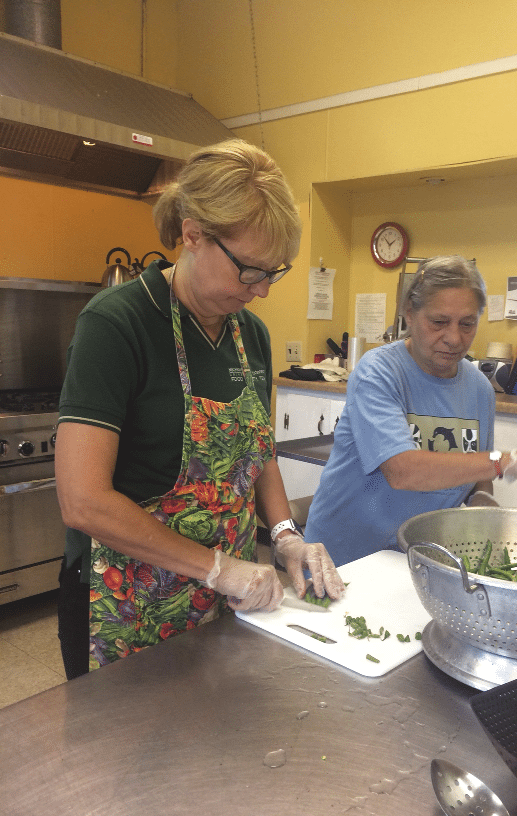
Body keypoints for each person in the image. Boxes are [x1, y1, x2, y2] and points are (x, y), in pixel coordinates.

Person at [55, 139, 344, 679]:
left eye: (273, 272)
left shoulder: (250, 335)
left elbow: (257, 453)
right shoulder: (116, 325)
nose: (262, 291)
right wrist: (217, 567)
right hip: (125, 605)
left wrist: (285, 536)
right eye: (250, 270)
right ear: (192, 235)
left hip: (228, 602)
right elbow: (83, 501)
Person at [304, 256, 517, 566]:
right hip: (346, 558)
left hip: (420, 556)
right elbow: (403, 471)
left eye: (467, 324)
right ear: (410, 314)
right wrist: (513, 460)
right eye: (439, 322)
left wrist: (483, 503)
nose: (454, 338)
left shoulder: (479, 389)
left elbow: (477, 473)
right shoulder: (378, 372)